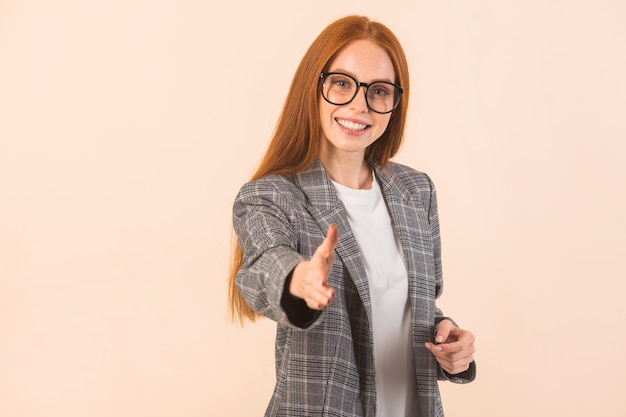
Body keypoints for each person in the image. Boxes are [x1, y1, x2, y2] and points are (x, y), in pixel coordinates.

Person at [228, 15, 476, 417]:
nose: (359, 104)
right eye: (342, 83)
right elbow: (263, 266)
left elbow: (416, 307)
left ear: (395, 103)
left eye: (378, 91)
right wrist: (299, 280)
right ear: (315, 85)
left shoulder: (416, 192)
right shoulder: (271, 196)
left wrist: (451, 343)